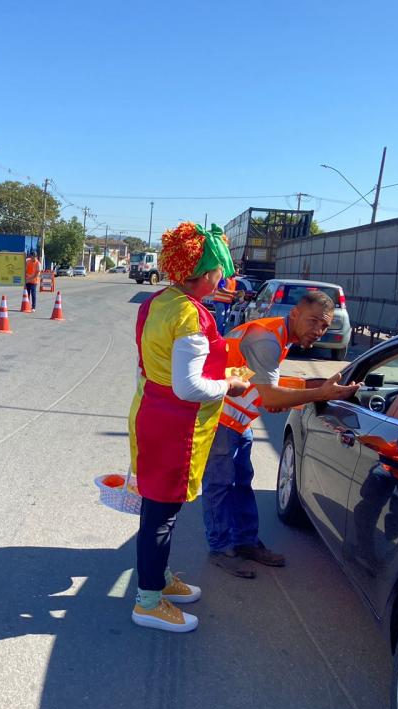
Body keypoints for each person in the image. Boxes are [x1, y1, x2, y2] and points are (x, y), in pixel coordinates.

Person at [129, 222, 249, 633]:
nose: (223, 278)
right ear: (203, 271)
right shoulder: (188, 315)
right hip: (175, 429)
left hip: (153, 416)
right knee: (160, 515)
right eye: (219, 270)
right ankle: (147, 601)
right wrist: (230, 383)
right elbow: (189, 385)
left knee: (157, 509)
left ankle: (157, 579)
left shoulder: (159, 301)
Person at [201, 291, 360, 573]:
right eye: (313, 321)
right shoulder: (267, 340)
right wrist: (317, 393)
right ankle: (221, 548)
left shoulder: (278, 336)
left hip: (238, 420)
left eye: (324, 326)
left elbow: (263, 384)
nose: (318, 331)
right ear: (295, 314)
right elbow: (271, 396)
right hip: (221, 420)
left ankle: (245, 542)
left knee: (240, 483)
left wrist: (306, 387)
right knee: (220, 486)